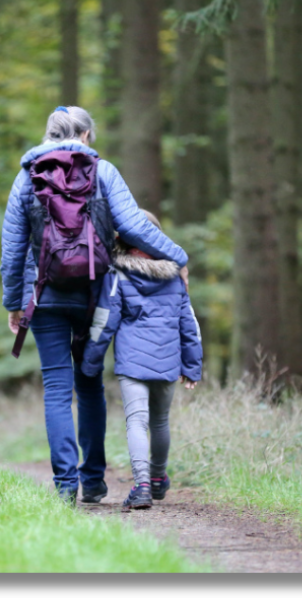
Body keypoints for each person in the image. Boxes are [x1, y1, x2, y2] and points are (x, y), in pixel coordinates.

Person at [1, 105, 190, 505]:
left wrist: (14, 303)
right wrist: (178, 256)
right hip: (95, 294)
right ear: (86, 135)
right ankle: (94, 481)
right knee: (89, 384)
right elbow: (135, 226)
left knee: (56, 387)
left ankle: (66, 485)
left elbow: (12, 249)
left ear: (48, 134)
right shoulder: (103, 172)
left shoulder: (26, 177)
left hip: (45, 295)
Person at [80, 210, 203, 509]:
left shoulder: (118, 274)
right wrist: (192, 365)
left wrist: (90, 361)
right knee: (160, 421)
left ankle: (143, 485)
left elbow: (105, 321)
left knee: (137, 422)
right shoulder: (175, 276)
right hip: (168, 359)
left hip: (133, 363)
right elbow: (189, 324)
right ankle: (159, 479)